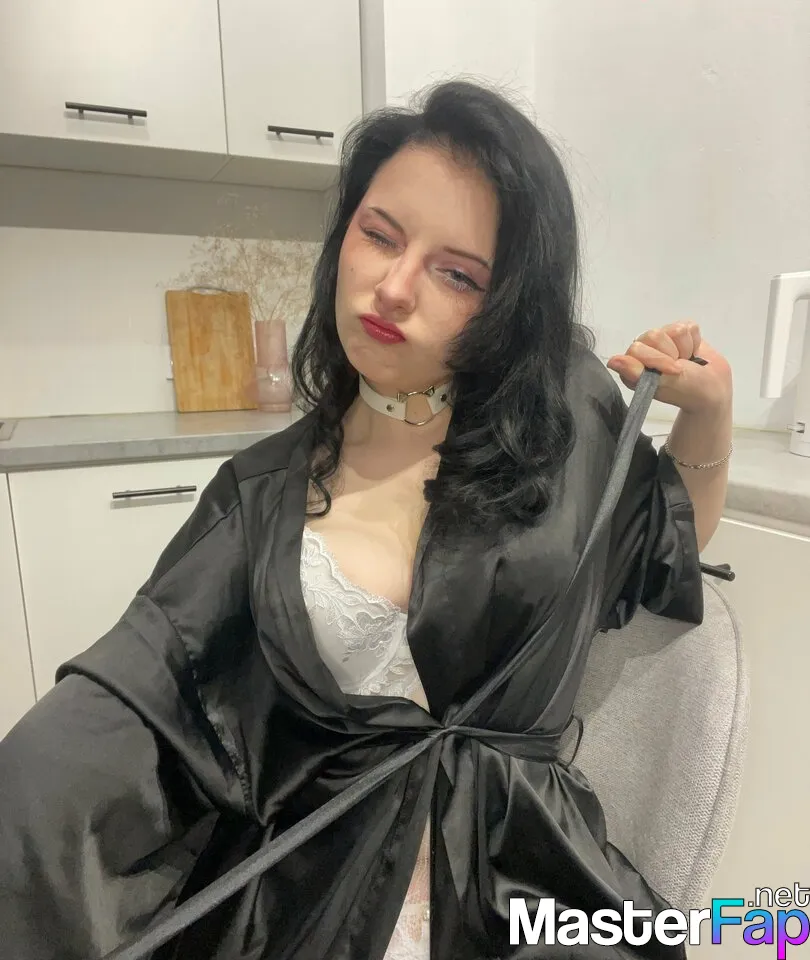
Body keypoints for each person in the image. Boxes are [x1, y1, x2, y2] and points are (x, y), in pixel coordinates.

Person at [0, 80, 733, 960]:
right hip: (316, 875)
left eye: (457, 274)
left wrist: (709, 416)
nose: (392, 288)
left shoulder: (565, 421)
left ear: (509, 302)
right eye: (380, 236)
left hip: (518, 872)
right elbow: (145, 690)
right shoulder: (259, 493)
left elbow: (657, 548)